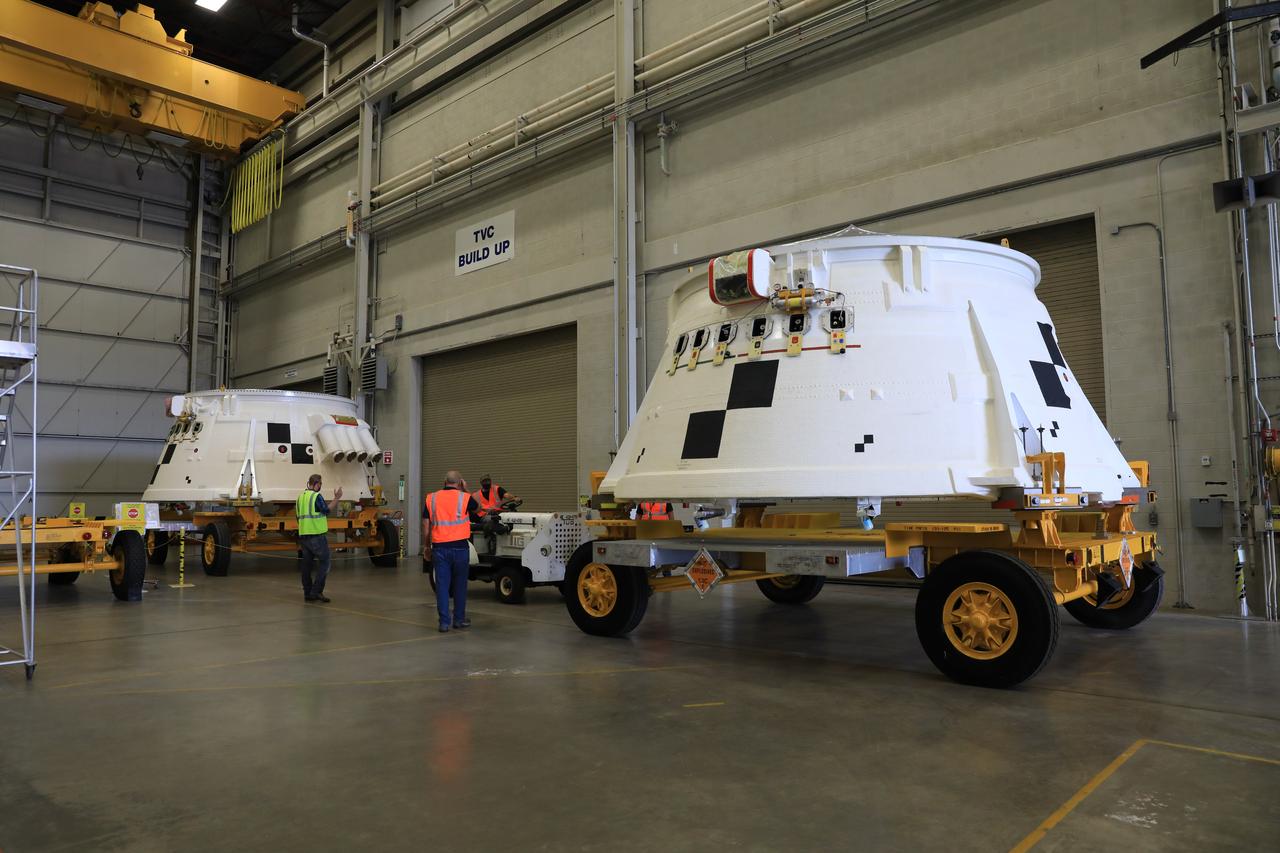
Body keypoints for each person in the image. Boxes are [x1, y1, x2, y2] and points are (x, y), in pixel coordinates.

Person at [423, 470, 480, 632]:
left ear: (444, 481)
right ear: (460, 482)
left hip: (440, 548)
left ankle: (444, 623)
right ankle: (459, 620)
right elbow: (479, 508)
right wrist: (466, 490)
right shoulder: (465, 497)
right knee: (460, 585)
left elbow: (426, 526)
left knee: (442, 586)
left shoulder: (431, 498)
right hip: (460, 548)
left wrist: (426, 546)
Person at [296, 473, 342, 603]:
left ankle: (307, 593)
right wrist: (337, 498)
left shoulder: (300, 498)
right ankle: (316, 592)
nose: (320, 486)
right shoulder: (316, 496)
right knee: (325, 563)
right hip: (317, 536)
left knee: (306, 566)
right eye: (320, 484)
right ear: (316, 484)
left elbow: (298, 517)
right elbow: (326, 510)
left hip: (304, 536)